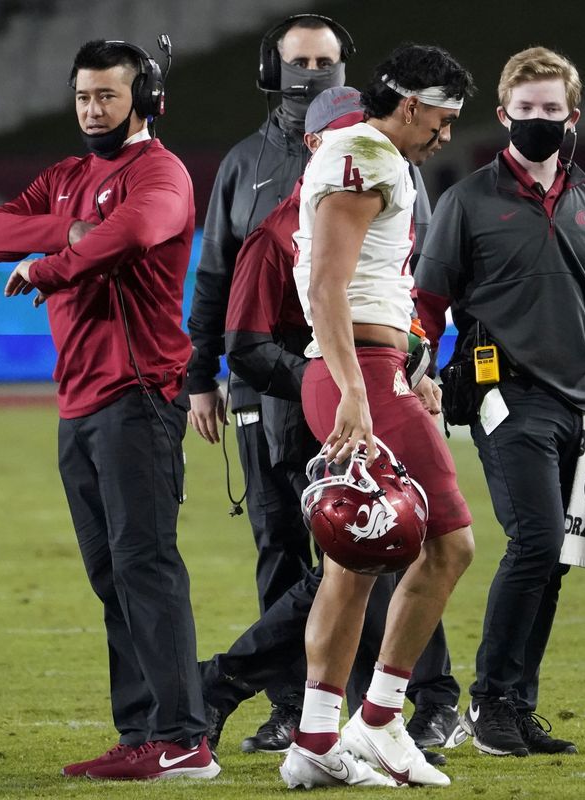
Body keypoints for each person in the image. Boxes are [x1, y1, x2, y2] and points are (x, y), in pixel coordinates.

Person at [186, 13, 459, 755]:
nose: (312, 76)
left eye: (324, 63)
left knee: (379, 543)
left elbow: (407, 282)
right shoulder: (267, 197)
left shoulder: (389, 171)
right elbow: (237, 321)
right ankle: (302, 703)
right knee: (327, 546)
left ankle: (395, 704)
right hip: (296, 398)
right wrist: (210, 375)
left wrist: (414, 364)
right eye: (299, 62)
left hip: (348, 382)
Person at [0, 39, 216, 781]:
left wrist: (49, 263)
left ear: (144, 101)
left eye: (107, 96)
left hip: (139, 396)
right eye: (83, 96)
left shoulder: (161, 172)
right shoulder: (70, 177)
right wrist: (64, 229)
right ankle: (145, 731)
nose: (91, 108)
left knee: (146, 566)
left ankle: (183, 739)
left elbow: (136, 233)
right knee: (113, 574)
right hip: (78, 402)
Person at [414, 47, 585, 758]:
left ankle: (516, 705)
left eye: (551, 110)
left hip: (581, 408)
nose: (539, 121)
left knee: (552, 558)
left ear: (572, 117)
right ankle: (489, 702)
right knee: (539, 541)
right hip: (503, 397)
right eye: (527, 110)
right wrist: (411, 374)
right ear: (503, 115)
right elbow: (424, 306)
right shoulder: (466, 203)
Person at [280, 44, 475, 789]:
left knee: (354, 561)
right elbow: (329, 285)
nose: (447, 135)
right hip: (356, 370)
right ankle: (382, 718)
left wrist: (409, 366)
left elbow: (365, 283)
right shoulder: (369, 156)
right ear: (415, 103)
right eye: (445, 117)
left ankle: (317, 741)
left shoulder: (359, 153)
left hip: (367, 366)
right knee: (450, 543)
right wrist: (359, 390)